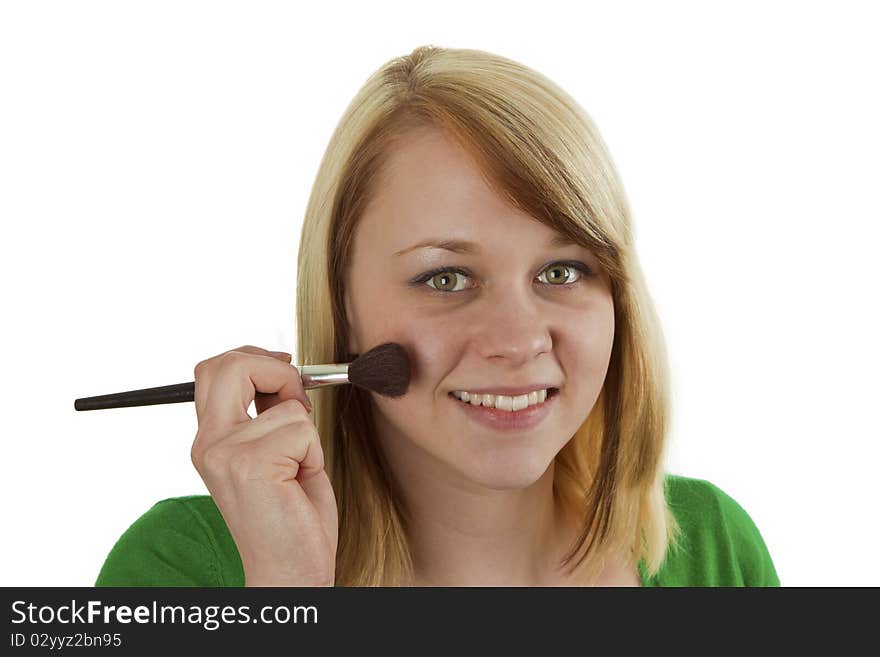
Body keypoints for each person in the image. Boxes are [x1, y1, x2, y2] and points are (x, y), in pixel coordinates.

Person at [95, 45, 779, 587]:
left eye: (563, 270)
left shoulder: (714, 548)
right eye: (445, 277)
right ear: (341, 304)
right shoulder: (183, 568)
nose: (518, 340)